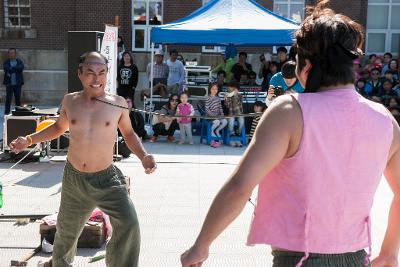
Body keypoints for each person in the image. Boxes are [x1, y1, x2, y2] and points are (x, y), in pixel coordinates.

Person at [181, 1, 400, 267]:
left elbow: (240, 186)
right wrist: (389, 252)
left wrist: (201, 245)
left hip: (298, 259)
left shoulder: (289, 111)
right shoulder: (385, 120)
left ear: (305, 65)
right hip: (357, 257)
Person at [9, 51, 156, 267]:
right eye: (90, 73)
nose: (96, 79)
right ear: (80, 74)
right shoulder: (70, 100)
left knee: (129, 223)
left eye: (102, 73)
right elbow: (59, 128)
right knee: (66, 234)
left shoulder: (118, 103)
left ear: (108, 75)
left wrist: (143, 155)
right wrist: (29, 140)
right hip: (74, 179)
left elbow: (129, 134)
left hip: (106, 179)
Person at [205, 83, 227, 148]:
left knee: (225, 121)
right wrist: (213, 116)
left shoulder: (218, 98)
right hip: (210, 116)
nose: (214, 90)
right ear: (210, 89)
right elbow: (207, 109)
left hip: (217, 116)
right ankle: (212, 132)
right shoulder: (208, 98)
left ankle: (217, 130)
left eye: (216, 89)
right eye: (213, 89)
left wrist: (222, 115)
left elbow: (220, 107)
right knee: (217, 122)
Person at [3, 48, 24, 115]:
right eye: (10, 53)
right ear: (8, 54)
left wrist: (12, 69)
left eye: (13, 53)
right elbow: (6, 68)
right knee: (8, 99)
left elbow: (21, 68)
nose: (11, 54)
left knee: (17, 99)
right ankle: (6, 113)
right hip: (9, 84)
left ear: (15, 54)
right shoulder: (6, 62)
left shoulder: (19, 61)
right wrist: (15, 69)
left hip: (18, 84)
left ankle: (18, 113)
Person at [224, 81, 244, 147]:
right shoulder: (227, 95)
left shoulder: (240, 96)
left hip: (239, 113)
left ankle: (238, 132)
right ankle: (232, 134)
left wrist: (235, 96)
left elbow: (239, 105)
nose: (228, 89)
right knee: (231, 121)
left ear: (235, 88)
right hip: (231, 114)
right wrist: (227, 98)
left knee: (241, 120)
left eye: (230, 88)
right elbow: (227, 106)